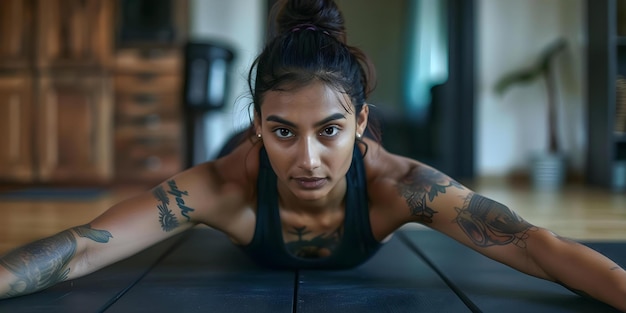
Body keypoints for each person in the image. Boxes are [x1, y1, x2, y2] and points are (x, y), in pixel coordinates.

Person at [1, 0, 625, 310]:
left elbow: (531, 243)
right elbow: (84, 246)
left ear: (361, 122)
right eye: (283, 131)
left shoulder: (403, 186)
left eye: (330, 131)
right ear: (258, 125)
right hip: (242, 167)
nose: (308, 160)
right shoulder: (223, 185)